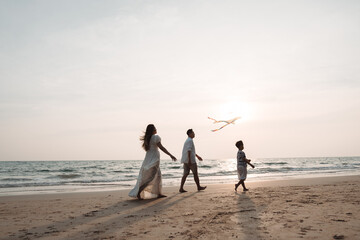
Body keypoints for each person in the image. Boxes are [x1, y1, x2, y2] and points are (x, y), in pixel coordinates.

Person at [129, 124, 177, 200]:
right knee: (151, 177)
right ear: (152, 130)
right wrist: (170, 155)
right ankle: (139, 191)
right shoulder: (155, 137)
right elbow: (161, 147)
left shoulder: (147, 139)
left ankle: (159, 193)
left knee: (158, 176)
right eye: (155, 128)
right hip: (154, 158)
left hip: (148, 158)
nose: (156, 129)